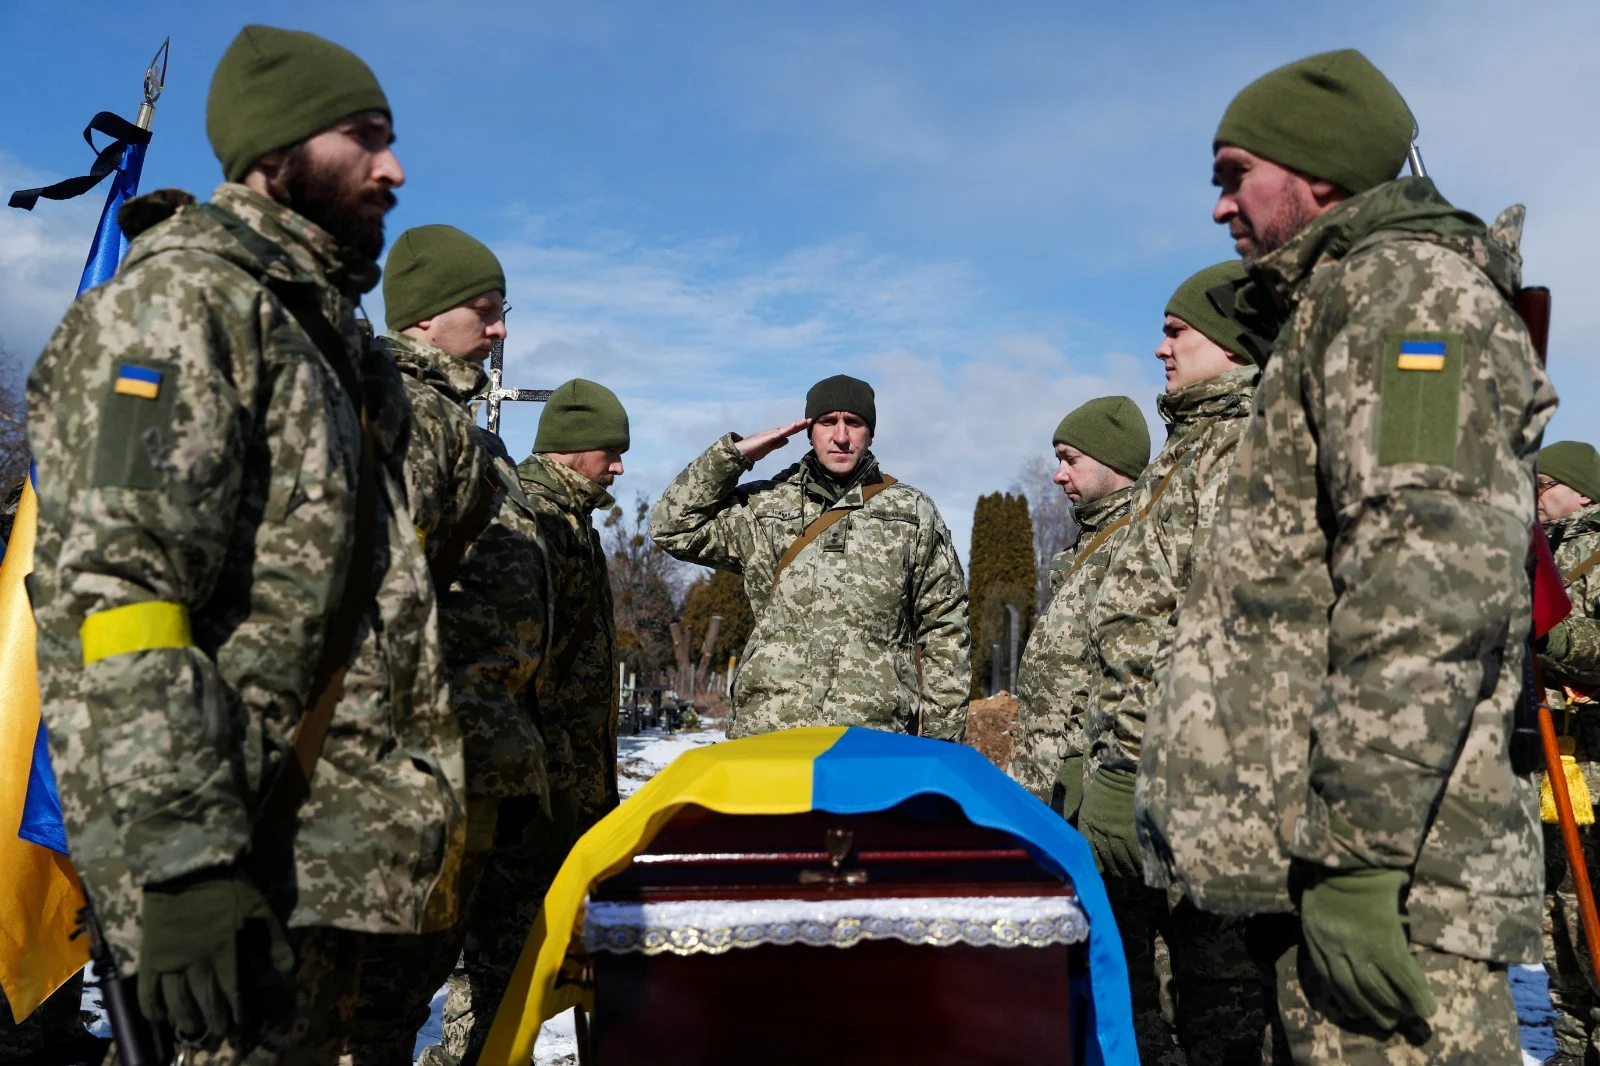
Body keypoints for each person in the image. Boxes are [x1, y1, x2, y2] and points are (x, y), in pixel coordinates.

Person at [26, 25, 465, 1065]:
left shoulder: (320, 339)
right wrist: (184, 861)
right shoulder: (179, 309)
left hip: (327, 872)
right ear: (276, 155)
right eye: (364, 139)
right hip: (234, 881)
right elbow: (118, 594)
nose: (394, 169)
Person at [1138, 49, 1558, 1064]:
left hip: (1393, 887)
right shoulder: (1339, 305)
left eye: (1233, 174)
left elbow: (1425, 577)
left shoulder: (1404, 296)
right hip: (1329, 867)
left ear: (1316, 173)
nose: (1219, 207)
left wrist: (1359, 859)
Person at [345, 226, 553, 1066]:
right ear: (426, 317)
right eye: (486, 310)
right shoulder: (388, 409)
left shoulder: (461, 429)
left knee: (394, 1011)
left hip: (467, 763)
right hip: (390, 778)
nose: (500, 329)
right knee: (358, 1012)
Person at [1077, 262, 1268, 1065]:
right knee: (1173, 989)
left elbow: (1209, 625)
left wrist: (1131, 758)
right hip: (1162, 770)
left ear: (1227, 342)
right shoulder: (1190, 449)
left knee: (1220, 997)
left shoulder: (1242, 450)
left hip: (1206, 779)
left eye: (1177, 331)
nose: (1161, 348)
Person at [437, 380, 628, 1063]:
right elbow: (520, 665)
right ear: (572, 450)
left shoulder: (571, 519)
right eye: (611, 451)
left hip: (563, 787)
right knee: (496, 964)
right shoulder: (534, 519)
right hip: (530, 791)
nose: (620, 467)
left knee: (517, 964)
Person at [650, 374, 971, 739]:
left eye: (854, 422)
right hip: (769, 731)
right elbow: (671, 526)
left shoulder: (911, 513)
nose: (841, 436)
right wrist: (736, 456)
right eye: (827, 422)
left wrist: (942, 749)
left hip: (873, 737)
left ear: (870, 432)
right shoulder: (763, 507)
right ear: (809, 429)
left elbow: (946, 630)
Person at [1010, 395, 1149, 810]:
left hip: (1086, 790)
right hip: (1047, 786)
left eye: (1071, 459)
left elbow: (1129, 674)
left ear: (1114, 460)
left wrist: (1089, 780)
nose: (1057, 475)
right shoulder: (1090, 544)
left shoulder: (1137, 543)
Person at [1536, 441, 1600, 1066]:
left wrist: (1547, 633)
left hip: (1596, 779)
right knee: (1556, 937)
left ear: (1582, 490)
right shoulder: (1539, 554)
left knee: (1595, 926)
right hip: (1544, 777)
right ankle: (1570, 1047)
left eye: (1544, 484)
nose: (1533, 496)